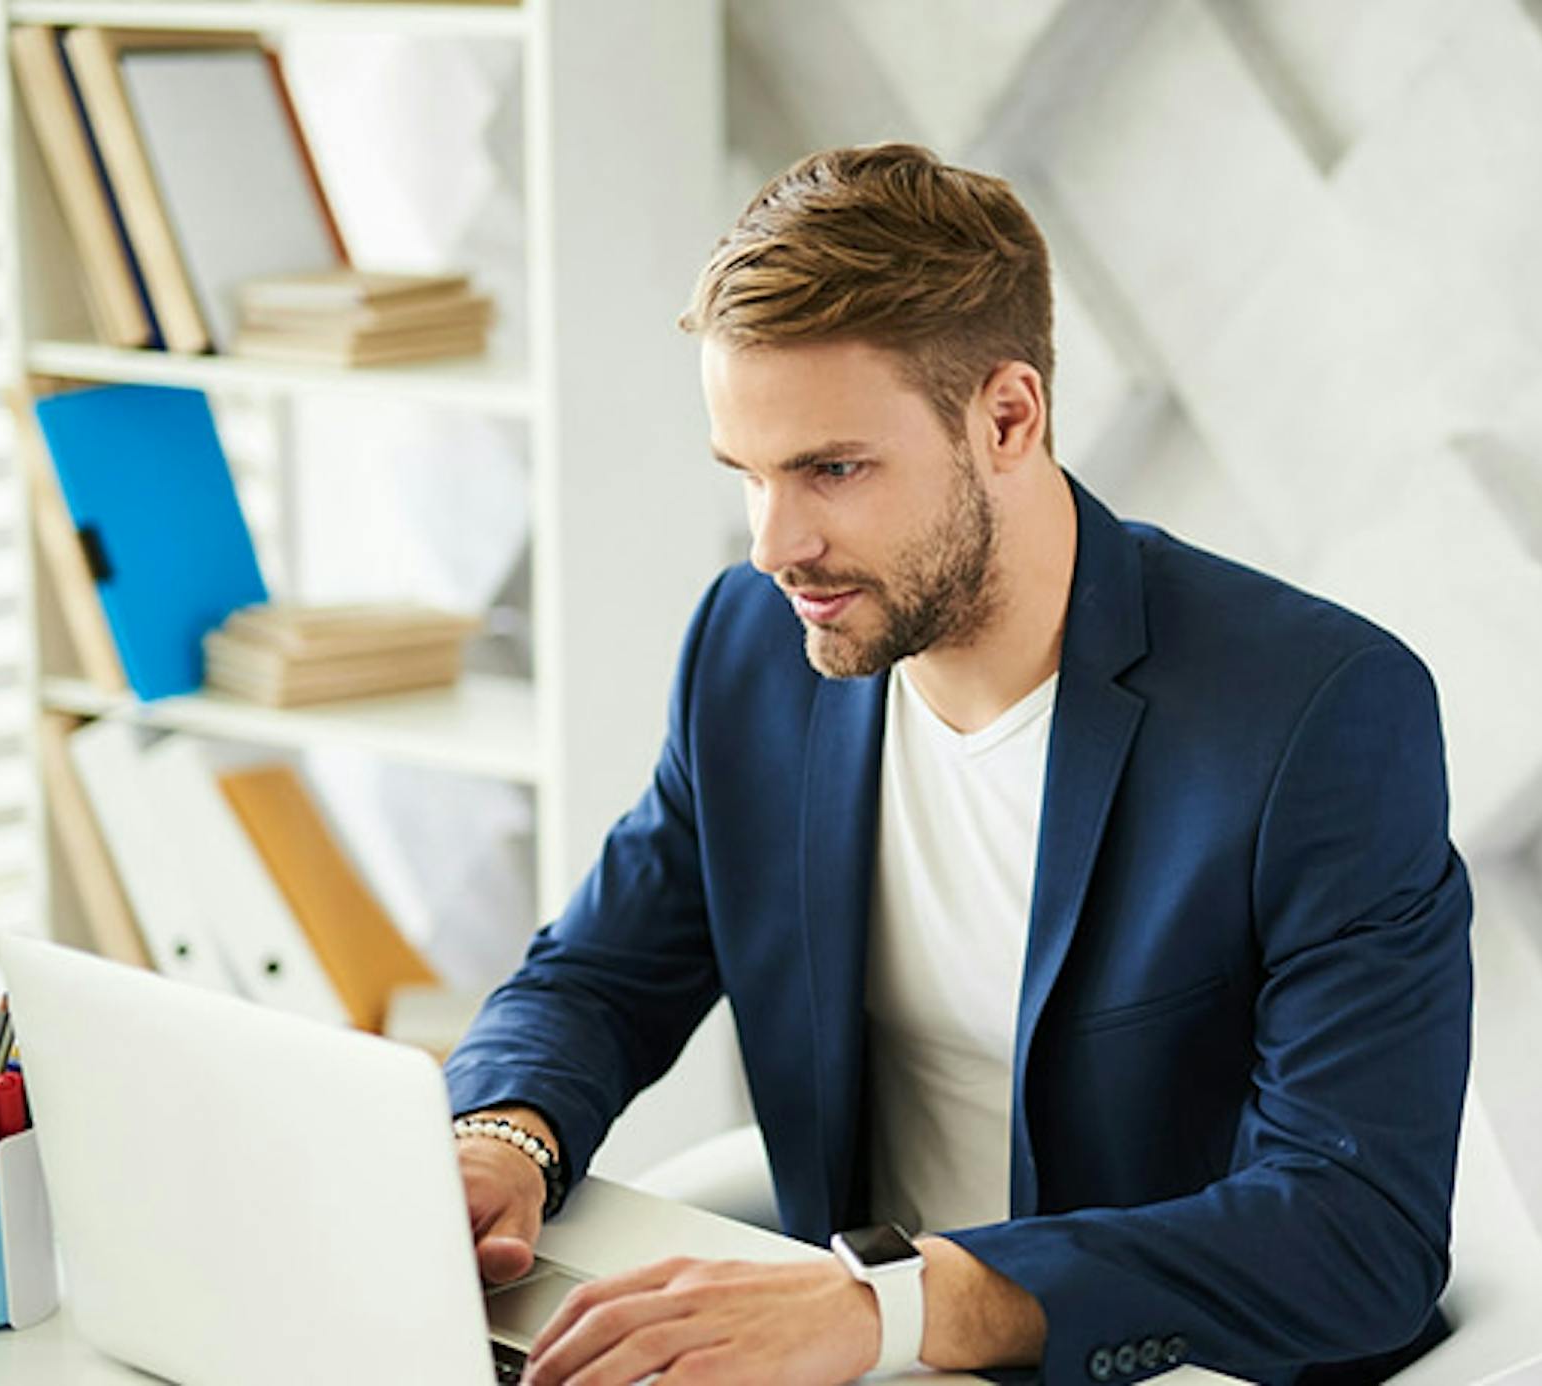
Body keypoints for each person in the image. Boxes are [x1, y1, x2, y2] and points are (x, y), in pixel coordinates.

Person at [443, 143, 1473, 1386]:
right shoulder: (750, 650)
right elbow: (604, 974)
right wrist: (505, 1136)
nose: (779, 546)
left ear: (1007, 417)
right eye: (751, 477)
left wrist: (893, 1310)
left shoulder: (1316, 716)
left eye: (832, 469)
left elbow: (1355, 1235)